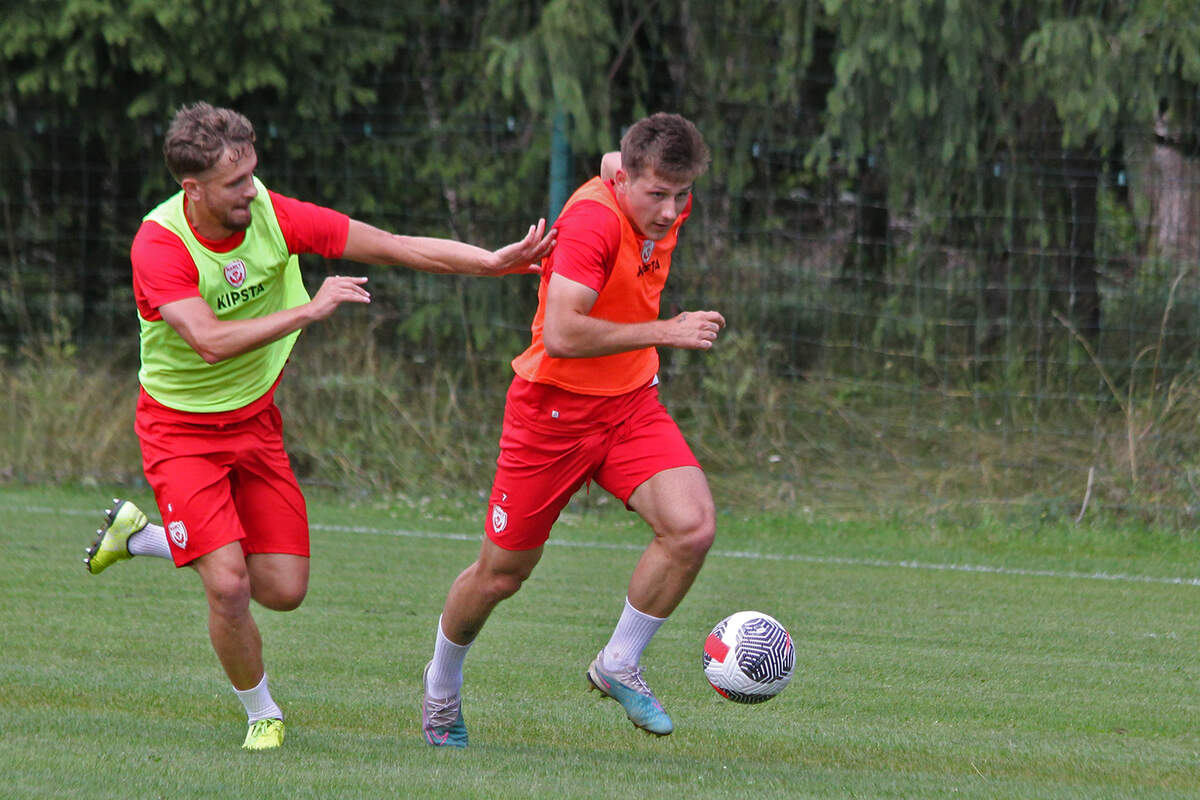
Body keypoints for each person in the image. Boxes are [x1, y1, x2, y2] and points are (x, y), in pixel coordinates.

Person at [82, 101, 555, 751]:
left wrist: (489, 262)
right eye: (234, 183)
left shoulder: (274, 215)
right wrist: (310, 310)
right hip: (179, 431)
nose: (251, 190)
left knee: (283, 589)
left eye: (252, 174)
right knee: (227, 585)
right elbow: (210, 341)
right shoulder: (160, 243)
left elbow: (391, 246)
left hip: (255, 424)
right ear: (191, 188)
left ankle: (144, 538)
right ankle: (262, 714)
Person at [420, 112, 723, 747]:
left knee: (691, 527)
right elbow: (562, 333)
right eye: (658, 194)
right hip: (550, 415)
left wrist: (628, 167)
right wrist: (667, 330)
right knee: (501, 575)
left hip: (630, 405)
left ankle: (618, 664)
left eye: (682, 194)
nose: (671, 211)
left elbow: (618, 159)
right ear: (626, 184)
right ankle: (441, 690)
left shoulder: (642, 184)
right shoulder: (591, 223)